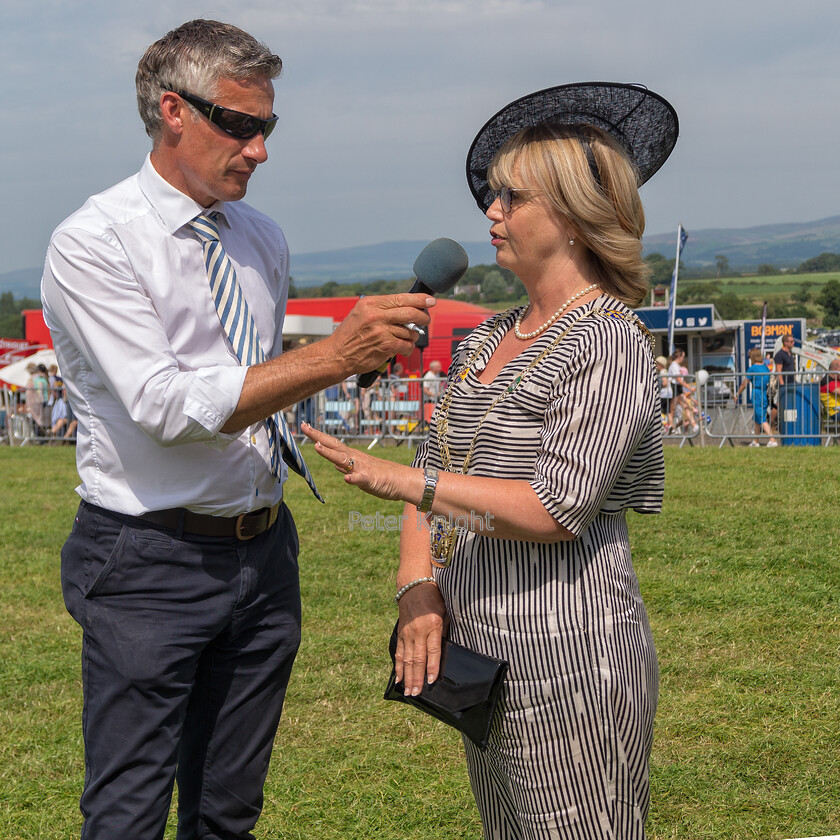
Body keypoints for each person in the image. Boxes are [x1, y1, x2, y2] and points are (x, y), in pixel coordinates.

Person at [41, 19, 432, 840]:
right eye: (242, 125)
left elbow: (249, 378)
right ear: (173, 112)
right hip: (148, 556)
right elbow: (164, 405)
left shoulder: (261, 239)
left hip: (262, 551)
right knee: (127, 812)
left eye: (269, 128)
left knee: (228, 810)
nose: (259, 150)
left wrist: (348, 364)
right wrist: (330, 357)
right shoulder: (94, 241)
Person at [304, 82, 676, 839]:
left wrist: (404, 482)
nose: (491, 214)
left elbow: (554, 508)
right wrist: (417, 590)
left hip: (570, 659)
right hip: (481, 652)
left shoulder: (607, 341)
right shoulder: (484, 340)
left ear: (571, 216)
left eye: (512, 198)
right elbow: (433, 467)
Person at [736, 348, 777, 447]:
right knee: (757, 417)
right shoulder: (766, 367)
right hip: (764, 394)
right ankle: (756, 441)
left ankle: (772, 440)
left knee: (762, 419)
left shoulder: (752, 368)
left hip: (757, 393)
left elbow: (744, 383)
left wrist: (737, 394)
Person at [656, 355, 673, 433]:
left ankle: (665, 425)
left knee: (659, 411)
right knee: (668, 412)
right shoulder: (665, 371)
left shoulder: (662, 372)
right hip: (669, 394)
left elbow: (665, 383)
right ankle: (670, 427)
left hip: (664, 394)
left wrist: (658, 385)